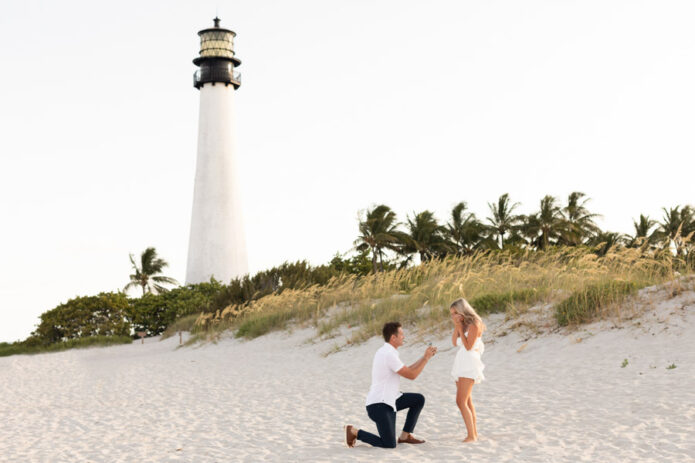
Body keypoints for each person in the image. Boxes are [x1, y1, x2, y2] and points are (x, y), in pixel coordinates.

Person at [344, 322, 437, 449]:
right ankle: (354, 432)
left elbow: (408, 369)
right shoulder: (388, 354)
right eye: (402, 334)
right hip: (379, 405)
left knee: (418, 399)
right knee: (389, 444)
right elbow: (412, 375)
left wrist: (425, 357)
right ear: (393, 338)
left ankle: (405, 436)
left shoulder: (388, 351)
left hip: (391, 400)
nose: (404, 337)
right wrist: (426, 358)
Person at [450, 297, 486, 443]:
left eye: (454, 313)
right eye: (451, 314)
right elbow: (454, 342)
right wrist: (457, 326)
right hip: (461, 363)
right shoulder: (463, 325)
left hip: (469, 364)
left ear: (462, 311)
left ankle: (471, 436)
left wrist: (459, 327)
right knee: (467, 401)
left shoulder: (474, 324)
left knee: (460, 401)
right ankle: (473, 433)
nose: (452, 316)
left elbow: (468, 346)